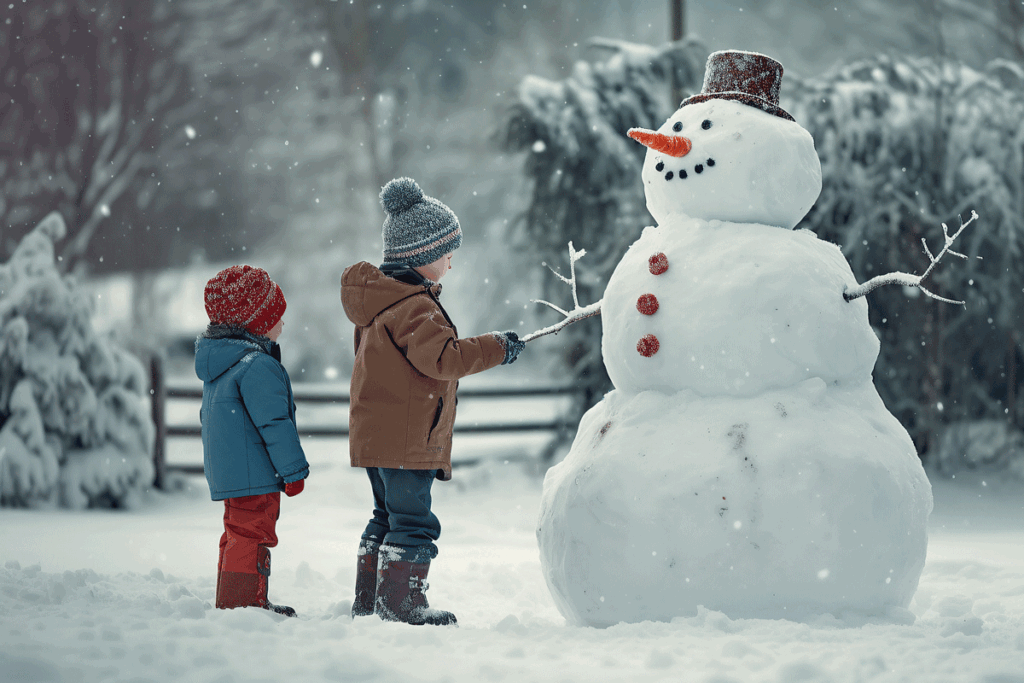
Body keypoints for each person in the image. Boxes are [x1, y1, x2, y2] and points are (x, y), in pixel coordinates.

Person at [341, 177, 526, 626]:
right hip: (407, 440)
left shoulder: (382, 304)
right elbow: (444, 359)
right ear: (422, 256)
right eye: (448, 255)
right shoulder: (415, 308)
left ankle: (371, 600)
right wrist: (497, 347)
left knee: (386, 516)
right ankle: (402, 604)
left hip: (378, 436)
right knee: (414, 523)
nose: (451, 264)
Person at [195, 265, 310, 617]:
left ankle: (235, 596)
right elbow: (274, 423)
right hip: (255, 473)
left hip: (233, 472)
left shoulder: (222, 367)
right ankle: (244, 604)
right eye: (277, 316)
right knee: (253, 533)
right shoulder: (257, 366)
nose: (283, 324)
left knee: (237, 531)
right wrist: (293, 471)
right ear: (257, 323)